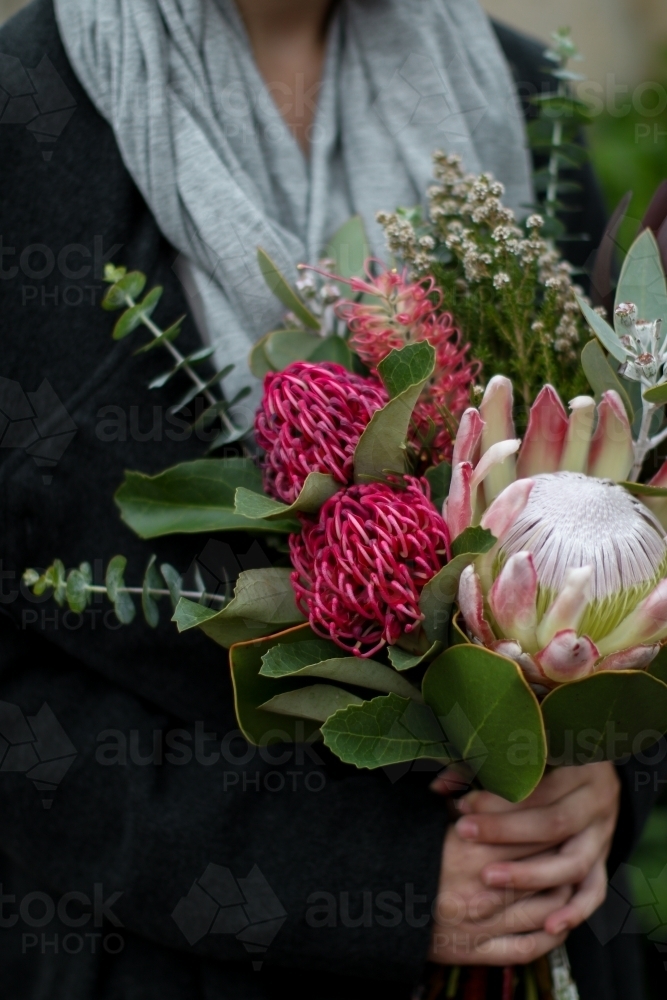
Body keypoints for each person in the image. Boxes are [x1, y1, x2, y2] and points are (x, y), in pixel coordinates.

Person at [0, 2, 663, 999]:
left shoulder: (520, 96)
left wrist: (599, 774)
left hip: (545, 941)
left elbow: (618, 508)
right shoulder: (27, 127)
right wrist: (371, 881)